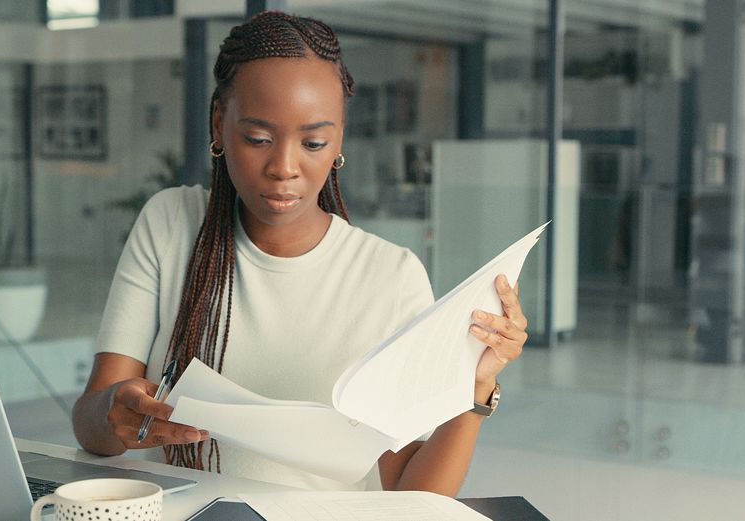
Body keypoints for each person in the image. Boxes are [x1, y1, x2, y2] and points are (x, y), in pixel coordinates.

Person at [70, 10, 528, 496]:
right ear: (219, 122)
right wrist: (114, 414)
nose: (284, 167)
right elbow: (92, 425)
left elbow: (415, 496)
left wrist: (475, 389)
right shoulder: (170, 223)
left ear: (339, 141)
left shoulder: (391, 276)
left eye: (313, 142)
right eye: (259, 139)